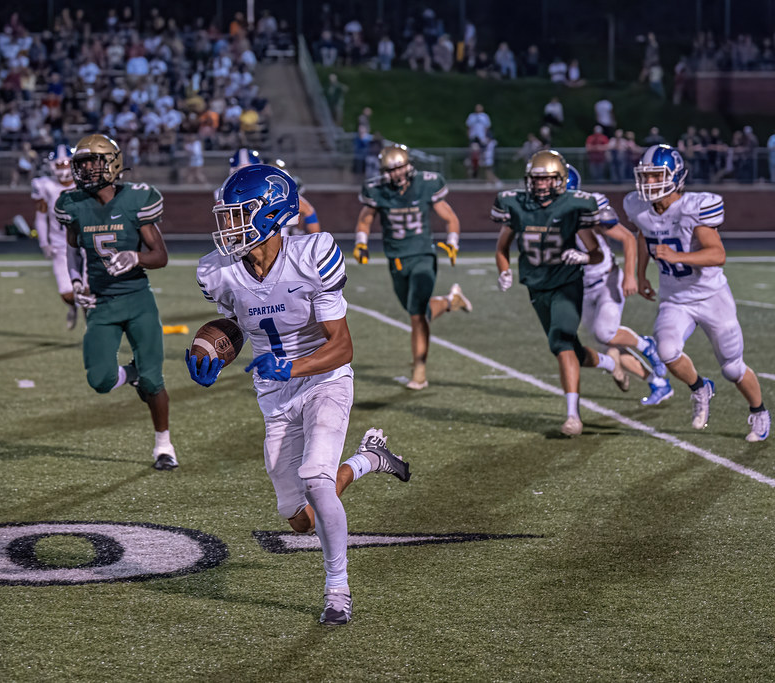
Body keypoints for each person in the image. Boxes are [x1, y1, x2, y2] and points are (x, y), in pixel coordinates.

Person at [189, 164, 412, 626]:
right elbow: (241, 319)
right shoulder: (220, 272)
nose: (228, 226)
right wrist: (213, 346)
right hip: (273, 392)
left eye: (238, 215)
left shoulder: (313, 253)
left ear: (272, 213)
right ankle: (369, 459)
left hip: (325, 379)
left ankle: (338, 589)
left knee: (315, 476)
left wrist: (291, 363)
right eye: (226, 216)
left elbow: (342, 345)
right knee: (299, 516)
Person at [625, 145, 769, 441]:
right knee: (666, 351)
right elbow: (644, 233)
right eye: (646, 176)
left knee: (732, 367)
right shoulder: (639, 208)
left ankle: (758, 411)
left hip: (711, 297)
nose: (649, 183)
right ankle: (700, 387)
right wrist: (640, 274)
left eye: (656, 176)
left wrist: (679, 258)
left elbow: (717, 254)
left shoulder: (694, 207)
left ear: (675, 176)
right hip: (675, 298)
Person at [54, 134, 178, 470]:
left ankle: (164, 446)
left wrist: (135, 257)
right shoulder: (72, 203)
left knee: (154, 380)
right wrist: (76, 281)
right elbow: (71, 249)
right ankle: (132, 373)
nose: (87, 169)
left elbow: (160, 256)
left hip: (137, 298)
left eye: (93, 161)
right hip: (100, 302)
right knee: (100, 380)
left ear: (112, 162)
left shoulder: (137, 199)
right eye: (81, 163)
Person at [492, 150, 617, 437]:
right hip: (537, 286)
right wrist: (504, 270)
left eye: (547, 179)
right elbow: (501, 248)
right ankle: (611, 362)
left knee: (561, 342)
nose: (540, 185)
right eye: (536, 179)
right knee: (566, 348)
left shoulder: (572, 207)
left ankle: (573, 415)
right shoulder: (519, 206)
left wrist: (583, 257)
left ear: (560, 180)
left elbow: (597, 254)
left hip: (566, 283)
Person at [354, 144, 472, 391]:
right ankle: (451, 301)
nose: (396, 174)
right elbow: (365, 219)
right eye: (391, 169)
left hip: (422, 256)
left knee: (417, 314)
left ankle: (420, 369)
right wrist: (361, 243)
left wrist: (452, 242)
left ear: (408, 166)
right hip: (396, 259)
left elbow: (450, 217)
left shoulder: (426, 183)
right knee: (416, 310)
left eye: (400, 168)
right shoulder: (377, 190)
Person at [565, 165, 673, 405]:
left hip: (605, 279)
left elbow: (626, 237)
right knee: (609, 340)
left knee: (607, 333)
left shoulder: (589, 207)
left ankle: (648, 345)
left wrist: (631, 276)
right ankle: (658, 383)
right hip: (581, 287)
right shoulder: (543, 213)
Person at [32, 144, 81, 329]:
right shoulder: (45, 186)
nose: (62, 168)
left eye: (66, 163)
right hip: (61, 245)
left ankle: (91, 324)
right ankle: (73, 307)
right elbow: (41, 217)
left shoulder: (85, 184)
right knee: (67, 294)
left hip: (84, 244)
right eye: (59, 164)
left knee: (88, 291)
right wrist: (44, 243)